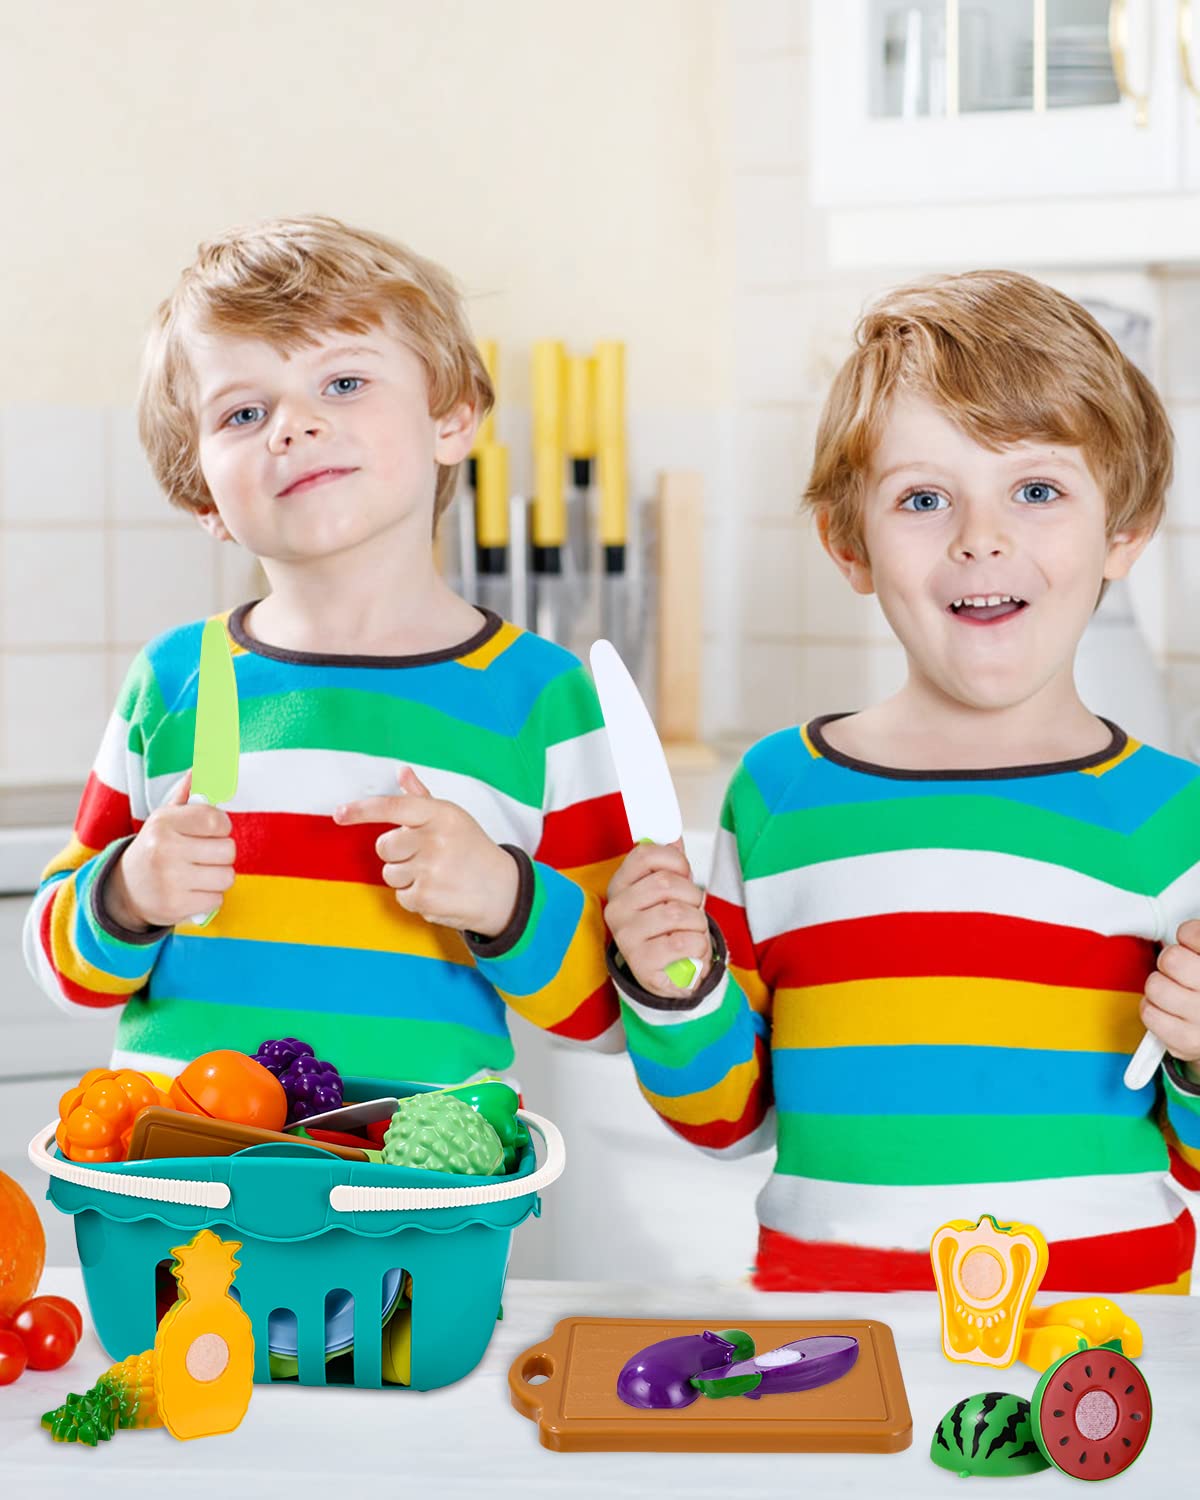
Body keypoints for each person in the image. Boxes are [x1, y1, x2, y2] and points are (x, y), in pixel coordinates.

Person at [606, 269, 1200, 1294]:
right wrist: (672, 988)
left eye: (1038, 490)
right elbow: (723, 1119)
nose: (981, 536)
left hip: (1108, 1362)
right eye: (924, 499)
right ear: (852, 546)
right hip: (837, 1351)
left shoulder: (1173, 818)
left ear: (1124, 532)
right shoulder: (781, 792)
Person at [24, 214, 630, 1087]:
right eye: (243, 411)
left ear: (452, 418)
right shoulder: (174, 680)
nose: (294, 426)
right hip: (183, 1178)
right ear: (205, 499)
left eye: (343, 382)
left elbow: (614, 1014)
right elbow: (58, 966)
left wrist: (504, 897)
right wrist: (127, 892)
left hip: (422, 1198)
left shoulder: (538, 696)